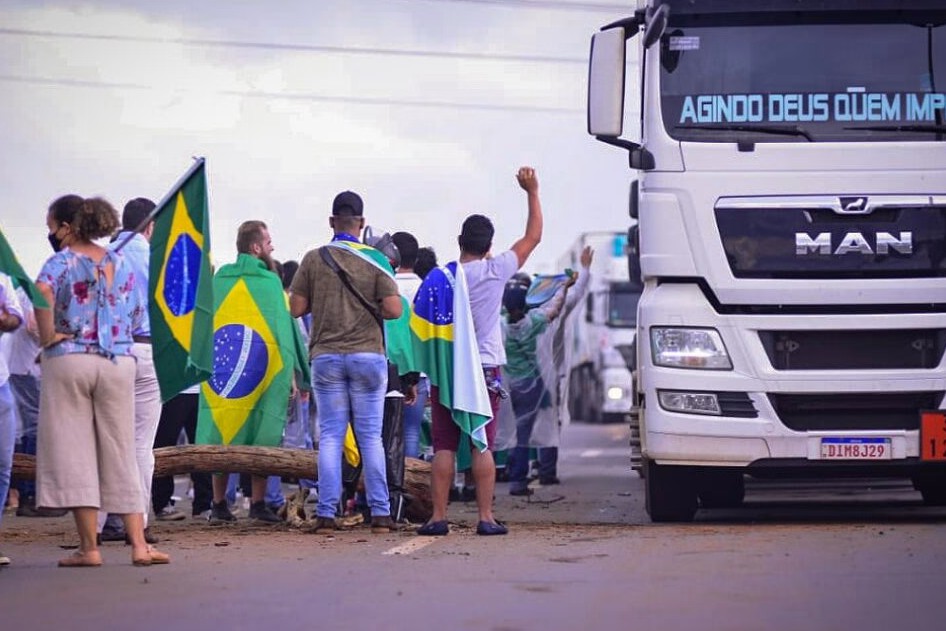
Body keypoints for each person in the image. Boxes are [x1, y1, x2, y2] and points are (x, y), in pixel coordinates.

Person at [34, 194, 168, 567]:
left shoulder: (61, 262)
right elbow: (139, 309)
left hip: (71, 358)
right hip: (117, 359)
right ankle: (140, 546)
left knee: (77, 453)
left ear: (69, 226)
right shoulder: (119, 262)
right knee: (122, 449)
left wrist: (48, 337)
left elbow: (41, 292)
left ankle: (90, 548)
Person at [415, 165, 543, 536]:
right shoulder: (497, 269)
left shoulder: (441, 277)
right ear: (489, 245)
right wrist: (532, 191)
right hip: (485, 369)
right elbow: (533, 236)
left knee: (443, 445)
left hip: (447, 370)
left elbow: (420, 326)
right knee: (481, 443)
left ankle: (438, 518)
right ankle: (485, 518)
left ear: (459, 241)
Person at [289, 190, 403, 534]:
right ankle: (381, 514)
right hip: (368, 356)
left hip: (326, 358)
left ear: (331, 222)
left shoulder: (313, 258)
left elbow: (295, 308)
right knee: (370, 438)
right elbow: (395, 309)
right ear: (362, 223)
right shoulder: (375, 260)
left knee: (331, 436)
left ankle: (326, 513)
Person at [198, 220, 310, 524]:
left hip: (223, 371)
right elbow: (284, 334)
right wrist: (296, 373)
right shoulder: (271, 283)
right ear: (256, 247)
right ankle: (258, 504)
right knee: (263, 430)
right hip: (262, 370)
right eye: (268, 241)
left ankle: (220, 504)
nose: (272, 246)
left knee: (222, 431)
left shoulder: (219, 279)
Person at [97, 198, 162, 544]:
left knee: (107, 440)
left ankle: (100, 525)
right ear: (150, 225)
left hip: (109, 352)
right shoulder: (156, 258)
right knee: (140, 445)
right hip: (147, 349)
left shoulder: (104, 255)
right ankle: (139, 523)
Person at [502, 273, 573, 495]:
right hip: (530, 386)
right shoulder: (532, 322)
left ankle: (510, 470)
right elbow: (555, 309)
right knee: (523, 434)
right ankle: (518, 480)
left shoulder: (500, 325)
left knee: (512, 430)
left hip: (507, 385)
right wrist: (563, 286)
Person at [532, 246, 594, 485]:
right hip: (549, 377)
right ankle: (545, 470)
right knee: (548, 423)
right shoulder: (553, 313)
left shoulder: (520, 315)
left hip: (519, 376)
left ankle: (521, 471)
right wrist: (585, 268)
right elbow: (576, 293)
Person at [8, 283, 66, 519]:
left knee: (26, 428)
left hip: (21, 365)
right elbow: (34, 325)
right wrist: (61, 333)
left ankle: (25, 493)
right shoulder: (36, 287)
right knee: (36, 426)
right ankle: (31, 495)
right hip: (31, 366)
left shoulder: (26, 286)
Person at [390, 231, 428, 460]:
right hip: (419, 371)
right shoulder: (425, 288)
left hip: (388, 369)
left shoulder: (385, 284)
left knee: (385, 434)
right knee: (412, 432)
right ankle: (409, 488)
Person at [150, 385, 213, 520]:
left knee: (203, 447)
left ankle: (204, 504)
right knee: (164, 443)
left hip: (203, 390)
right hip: (173, 389)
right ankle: (162, 503)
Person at [0, 272, 24, 566]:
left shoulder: (3, 278)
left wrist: (5, 319)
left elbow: (16, 317)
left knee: (3, 465)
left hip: (2, 383)